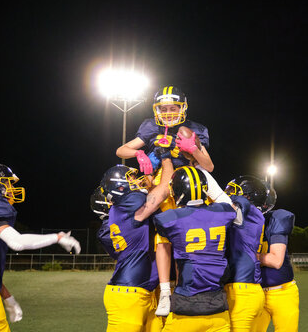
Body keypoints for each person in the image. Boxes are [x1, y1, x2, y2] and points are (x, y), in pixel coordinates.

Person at [0, 162, 81, 332]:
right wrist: (58, 237)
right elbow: (17, 242)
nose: (12, 188)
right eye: (8, 183)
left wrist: (7, 297)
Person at [152, 166, 239, 332]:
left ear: (176, 191)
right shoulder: (224, 212)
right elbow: (233, 209)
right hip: (218, 309)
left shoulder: (169, 218)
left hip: (186, 306)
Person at [101, 159, 173, 332]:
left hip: (142, 293)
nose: (136, 180)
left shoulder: (119, 210)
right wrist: (167, 160)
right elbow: (164, 189)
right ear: (120, 187)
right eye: (131, 178)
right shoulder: (128, 203)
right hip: (128, 294)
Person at [116, 86, 214, 174]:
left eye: (173, 109)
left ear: (182, 109)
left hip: (186, 177)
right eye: (164, 109)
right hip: (158, 177)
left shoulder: (191, 129)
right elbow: (121, 151)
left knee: (211, 186)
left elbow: (209, 167)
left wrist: (194, 149)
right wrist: (138, 153)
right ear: (158, 111)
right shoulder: (152, 126)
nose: (168, 113)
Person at [223, 175, 267, 332]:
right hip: (247, 289)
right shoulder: (254, 215)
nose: (227, 193)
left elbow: (239, 209)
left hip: (242, 291)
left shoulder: (246, 207)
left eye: (232, 190)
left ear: (247, 194)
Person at [253, 184, 299, 332]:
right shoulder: (245, 224)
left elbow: (276, 261)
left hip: (282, 293)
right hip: (257, 294)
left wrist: (249, 257)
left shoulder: (275, 219)